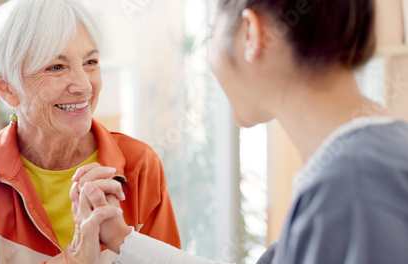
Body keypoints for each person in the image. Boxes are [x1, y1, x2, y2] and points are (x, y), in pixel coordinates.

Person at [73, 0, 408, 263]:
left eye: (210, 35)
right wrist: (120, 238)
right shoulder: (364, 168)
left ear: (251, 33)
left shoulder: (352, 188)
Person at [0, 0, 181, 263]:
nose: (84, 85)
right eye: (56, 67)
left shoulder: (139, 165)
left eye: (90, 62)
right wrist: (74, 258)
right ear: (6, 86)